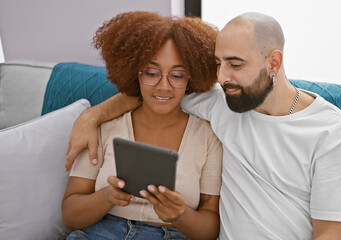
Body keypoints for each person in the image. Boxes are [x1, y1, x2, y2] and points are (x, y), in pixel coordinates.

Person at [65, 12, 341, 239]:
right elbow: (154, 94)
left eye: (235, 65)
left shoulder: (333, 134)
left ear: (273, 63)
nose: (222, 77)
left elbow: (331, 234)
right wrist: (91, 116)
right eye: (218, 63)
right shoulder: (220, 101)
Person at [62, 11, 223, 240]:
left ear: (191, 78)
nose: (164, 87)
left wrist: (181, 215)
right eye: (151, 72)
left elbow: (210, 228)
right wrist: (107, 197)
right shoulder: (103, 127)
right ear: (134, 73)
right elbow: (70, 215)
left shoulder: (207, 136)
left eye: (177, 75)